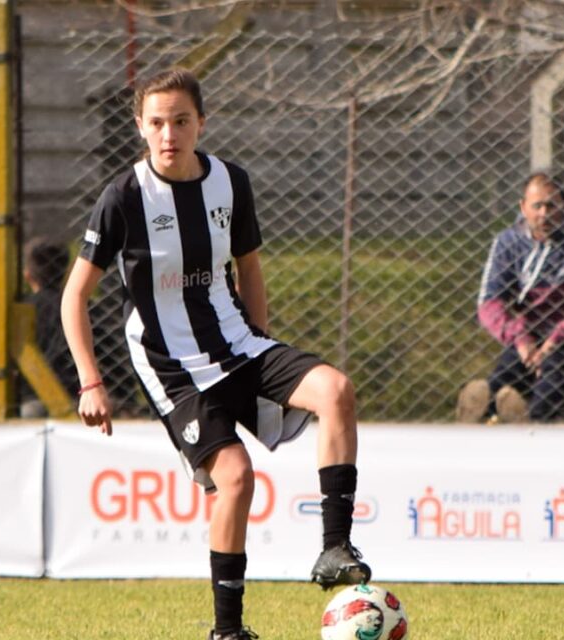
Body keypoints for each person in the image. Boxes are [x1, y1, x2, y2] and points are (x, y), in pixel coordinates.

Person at [59, 68, 370, 640]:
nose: (169, 134)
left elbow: (249, 267)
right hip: (171, 366)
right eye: (157, 122)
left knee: (336, 390)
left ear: (201, 122)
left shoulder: (230, 183)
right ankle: (227, 630)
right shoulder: (123, 197)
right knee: (236, 476)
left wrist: (261, 346)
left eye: (181, 121)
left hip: (239, 344)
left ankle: (335, 548)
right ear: (140, 126)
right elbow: (74, 295)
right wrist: (90, 382)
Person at [459, 173, 564, 424]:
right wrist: (521, 339)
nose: (544, 213)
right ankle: (487, 408)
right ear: (523, 207)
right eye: (537, 206)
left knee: (551, 383)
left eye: (552, 206)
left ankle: (530, 417)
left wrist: (556, 339)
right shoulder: (508, 242)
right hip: (529, 337)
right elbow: (490, 302)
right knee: (500, 383)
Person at [20, 238, 81, 417]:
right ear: (66, 272)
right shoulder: (81, 307)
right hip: (76, 393)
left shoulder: (22, 310)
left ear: (27, 275)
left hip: (30, 397)